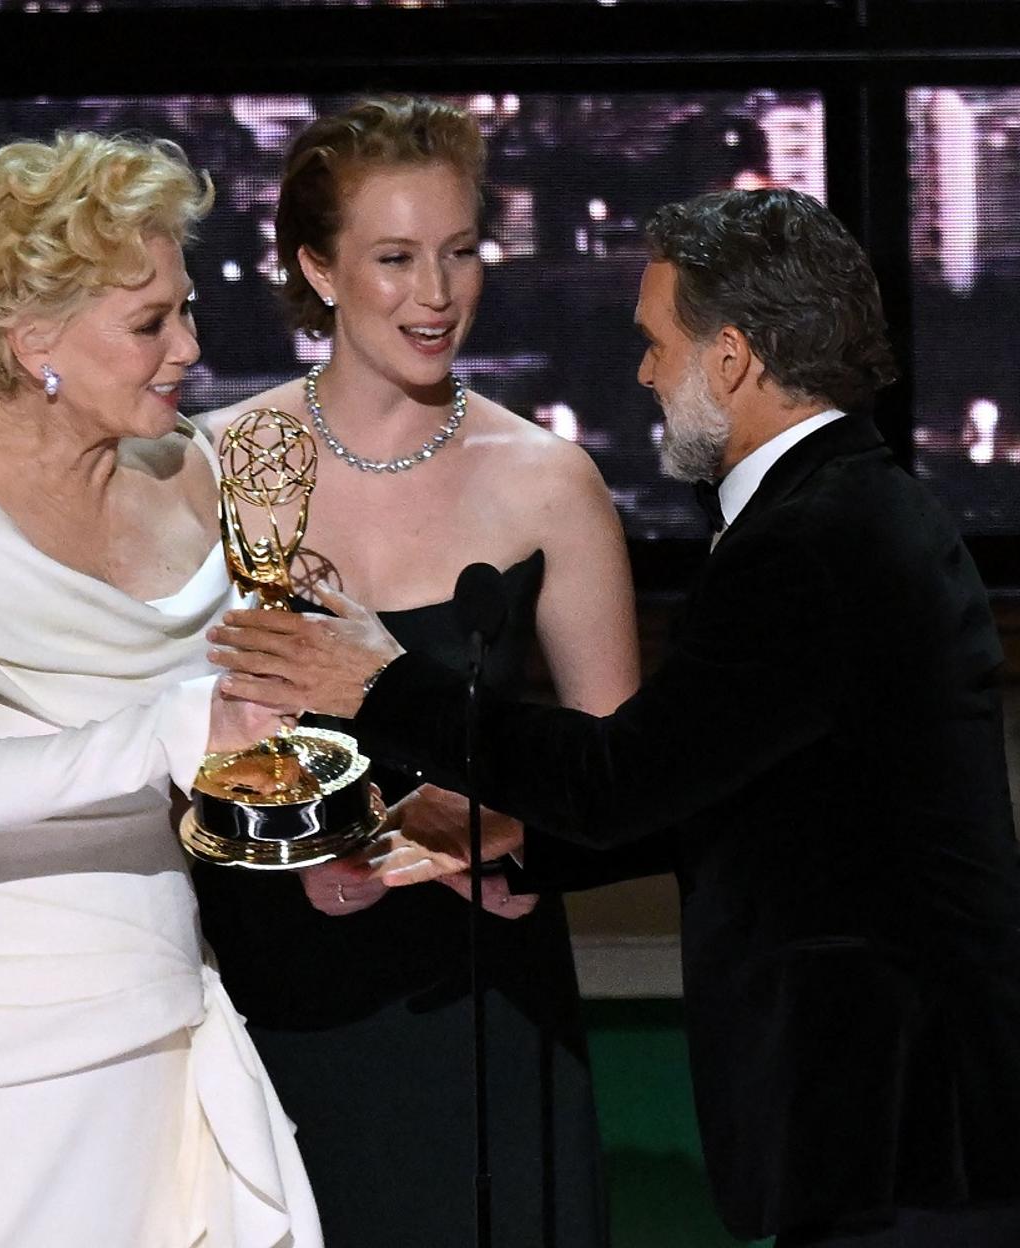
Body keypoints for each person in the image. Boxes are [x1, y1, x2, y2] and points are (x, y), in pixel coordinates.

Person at [207, 187, 1020, 1248]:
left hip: (904, 1121)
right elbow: (719, 791)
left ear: (729, 359)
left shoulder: (813, 540)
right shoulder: (843, 513)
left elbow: (624, 777)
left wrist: (379, 682)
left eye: (655, 344)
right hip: (900, 1116)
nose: (643, 374)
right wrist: (520, 847)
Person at [0, 132, 320, 1248]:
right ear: (31, 334)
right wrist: (181, 727)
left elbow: (246, 723)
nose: (189, 346)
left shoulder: (189, 472)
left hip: (168, 997)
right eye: (150, 324)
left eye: (184, 309)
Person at [192, 96, 638, 1248]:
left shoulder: (547, 480)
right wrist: (290, 855)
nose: (436, 296)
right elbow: (168, 745)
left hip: (485, 999)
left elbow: (620, 783)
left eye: (459, 253)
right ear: (317, 269)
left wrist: (497, 839)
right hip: (277, 993)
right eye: (395, 258)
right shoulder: (221, 466)